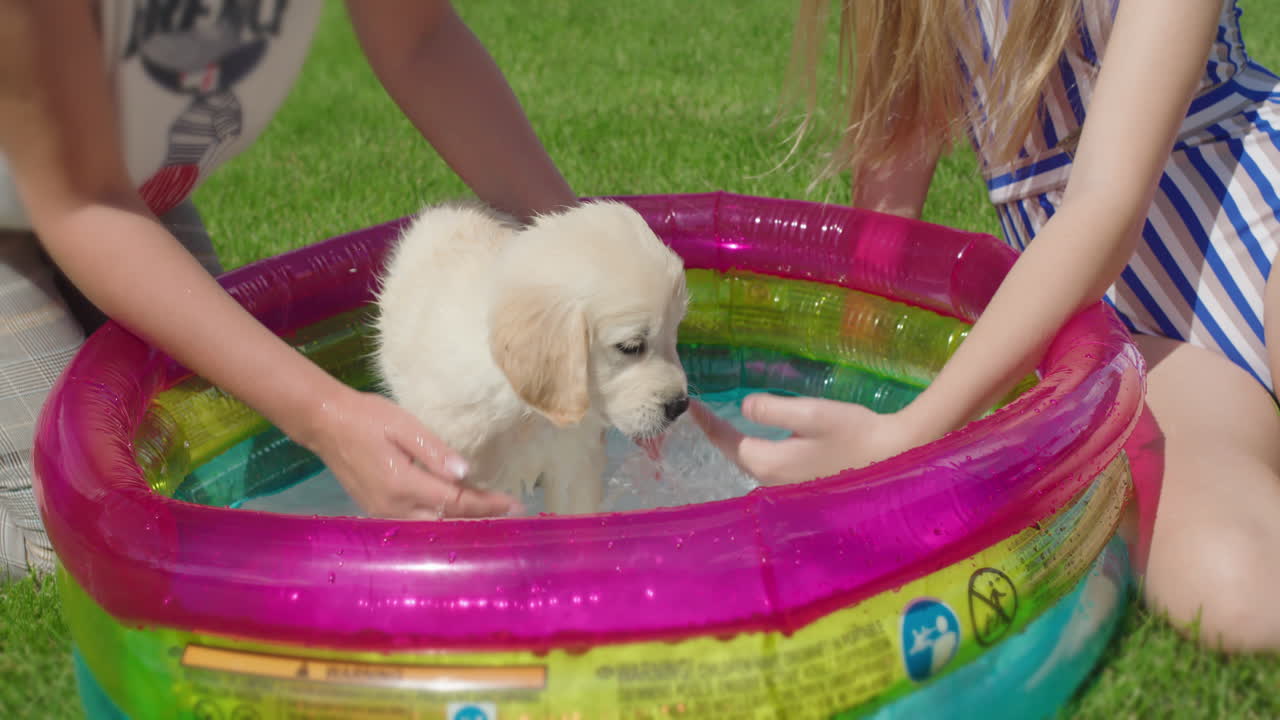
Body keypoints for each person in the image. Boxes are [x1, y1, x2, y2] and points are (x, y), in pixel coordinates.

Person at [692, 0, 1280, 653]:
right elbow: (891, 194)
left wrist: (910, 432)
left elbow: (1106, 203)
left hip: (1259, 214)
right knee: (1240, 597)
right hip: (1121, 333)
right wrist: (847, 388)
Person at [0, 0, 576, 580]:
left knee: (195, 476)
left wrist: (578, 258)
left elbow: (418, 40)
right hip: (77, 196)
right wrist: (326, 415)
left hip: (117, 184)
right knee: (61, 538)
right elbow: (82, 203)